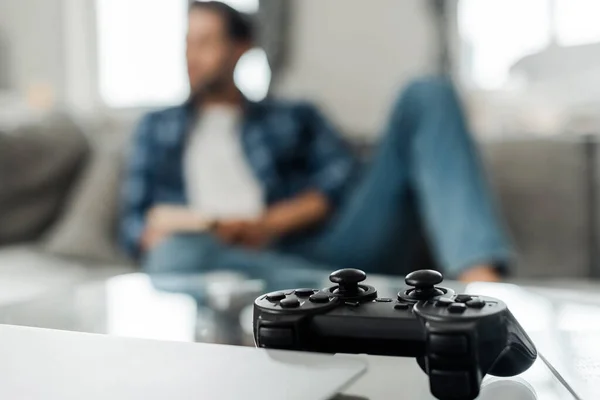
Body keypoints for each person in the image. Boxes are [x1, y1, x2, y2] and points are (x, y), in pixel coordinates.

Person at [120, 1, 512, 287]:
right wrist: (156, 235)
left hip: (316, 246)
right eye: (188, 43)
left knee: (428, 94)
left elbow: (342, 182)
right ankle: (340, 290)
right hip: (220, 258)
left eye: (205, 43)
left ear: (241, 49)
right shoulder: (157, 128)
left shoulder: (292, 116)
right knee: (171, 255)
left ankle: (484, 289)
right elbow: (136, 221)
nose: (192, 56)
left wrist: (267, 224)